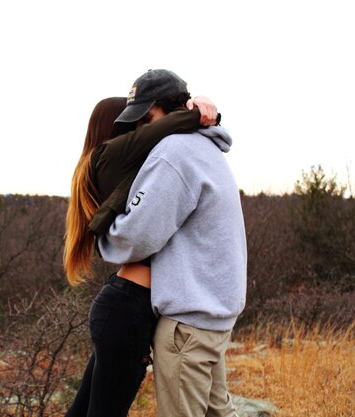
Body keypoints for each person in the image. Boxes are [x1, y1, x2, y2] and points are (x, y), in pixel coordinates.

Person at [98, 69, 247, 417]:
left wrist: (106, 236)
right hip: (212, 316)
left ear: (168, 110)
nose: (140, 130)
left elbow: (138, 236)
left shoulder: (174, 152)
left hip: (187, 325)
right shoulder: (206, 146)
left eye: (146, 119)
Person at [64, 93, 221, 417]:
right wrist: (201, 114)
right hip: (128, 309)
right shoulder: (110, 155)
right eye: (136, 122)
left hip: (122, 305)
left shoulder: (108, 162)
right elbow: (160, 131)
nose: (142, 127)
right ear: (117, 127)